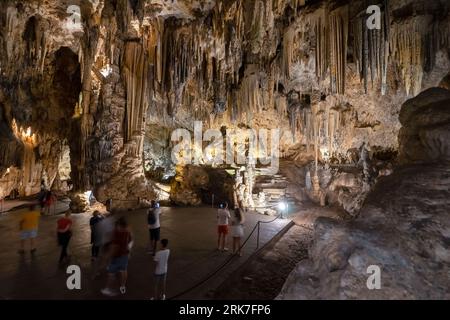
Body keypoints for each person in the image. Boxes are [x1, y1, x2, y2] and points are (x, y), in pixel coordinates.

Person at [101, 217, 133, 296]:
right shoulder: (127, 231)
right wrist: (129, 252)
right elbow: (130, 241)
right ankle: (122, 286)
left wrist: (107, 257)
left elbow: (114, 247)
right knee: (124, 270)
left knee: (111, 273)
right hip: (125, 255)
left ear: (120, 225)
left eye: (117, 225)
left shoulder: (117, 233)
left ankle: (109, 289)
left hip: (117, 256)